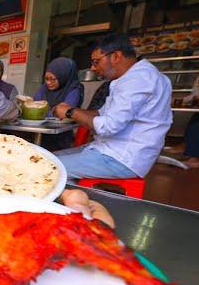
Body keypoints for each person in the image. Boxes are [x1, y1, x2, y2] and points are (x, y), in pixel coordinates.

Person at [53, 33, 173, 180]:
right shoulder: (131, 78)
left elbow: (108, 126)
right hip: (110, 150)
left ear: (116, 56)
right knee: (48, 158)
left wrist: (71, 112)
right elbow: (100, 114)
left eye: (96, 62)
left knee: (48, 168)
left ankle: (75, 200)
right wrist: (71, 112)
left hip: (122, 158)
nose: (93, 68)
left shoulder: (138, 80)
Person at [33, 57, 84, 151]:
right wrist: (52, 112)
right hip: (40, 131)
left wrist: (46, 111)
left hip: (61, 135)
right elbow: (34, 107)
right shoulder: (43, 88)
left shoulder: (74, 89)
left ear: (63, 76)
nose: (49, 82)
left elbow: (63, 112)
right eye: (46, 79)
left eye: (53, 79)